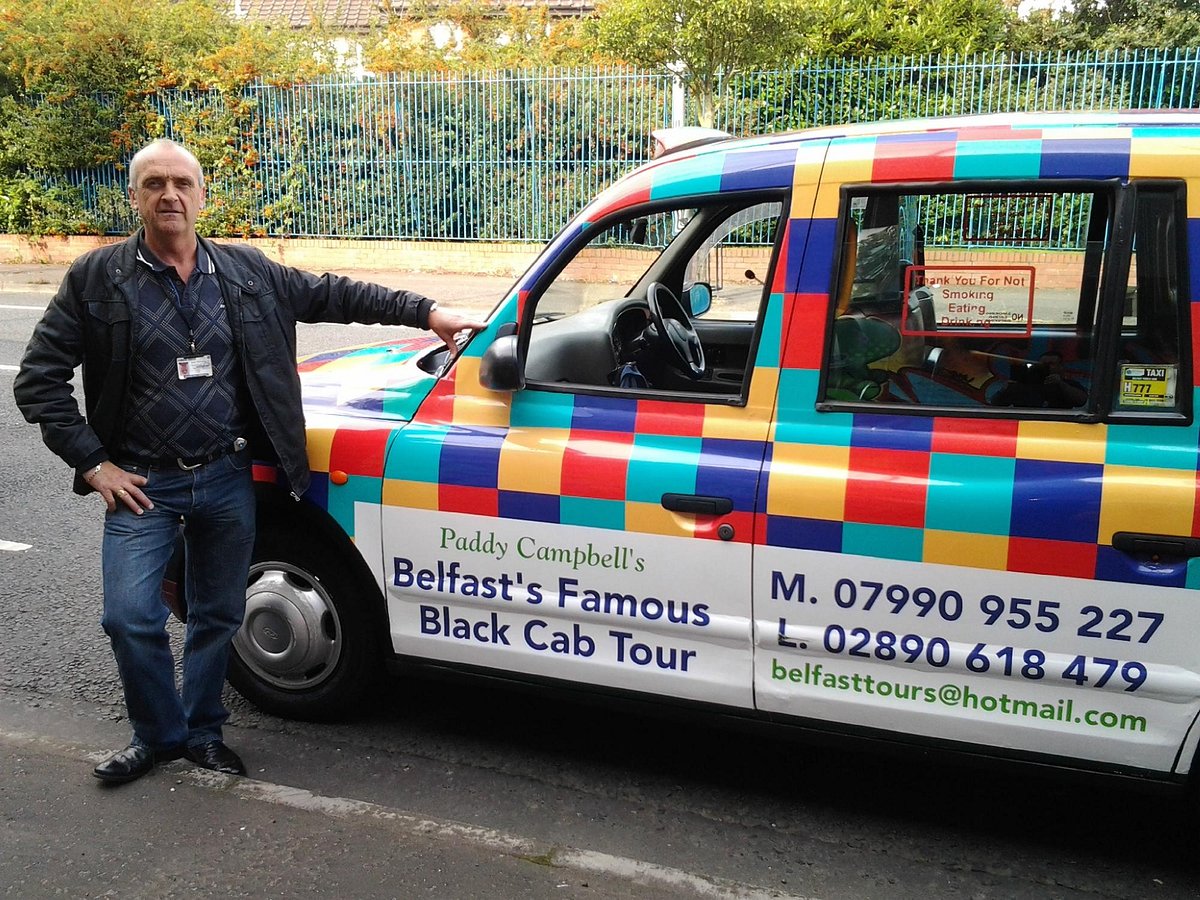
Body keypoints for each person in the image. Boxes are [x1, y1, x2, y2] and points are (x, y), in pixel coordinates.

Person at [13, 139, 486, 785]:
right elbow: (38, 380)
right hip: (143, 483)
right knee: (129, 618)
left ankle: (203, 732)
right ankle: (156, 736)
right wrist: (95, 465)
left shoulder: (246, 272)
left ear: (202, 195)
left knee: (217, 614)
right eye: (153, 184)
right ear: (134, 196)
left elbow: (335, 295)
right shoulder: (97, 279)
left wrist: (429, 312)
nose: (169, 195)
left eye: (182, 183)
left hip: (226, 476)